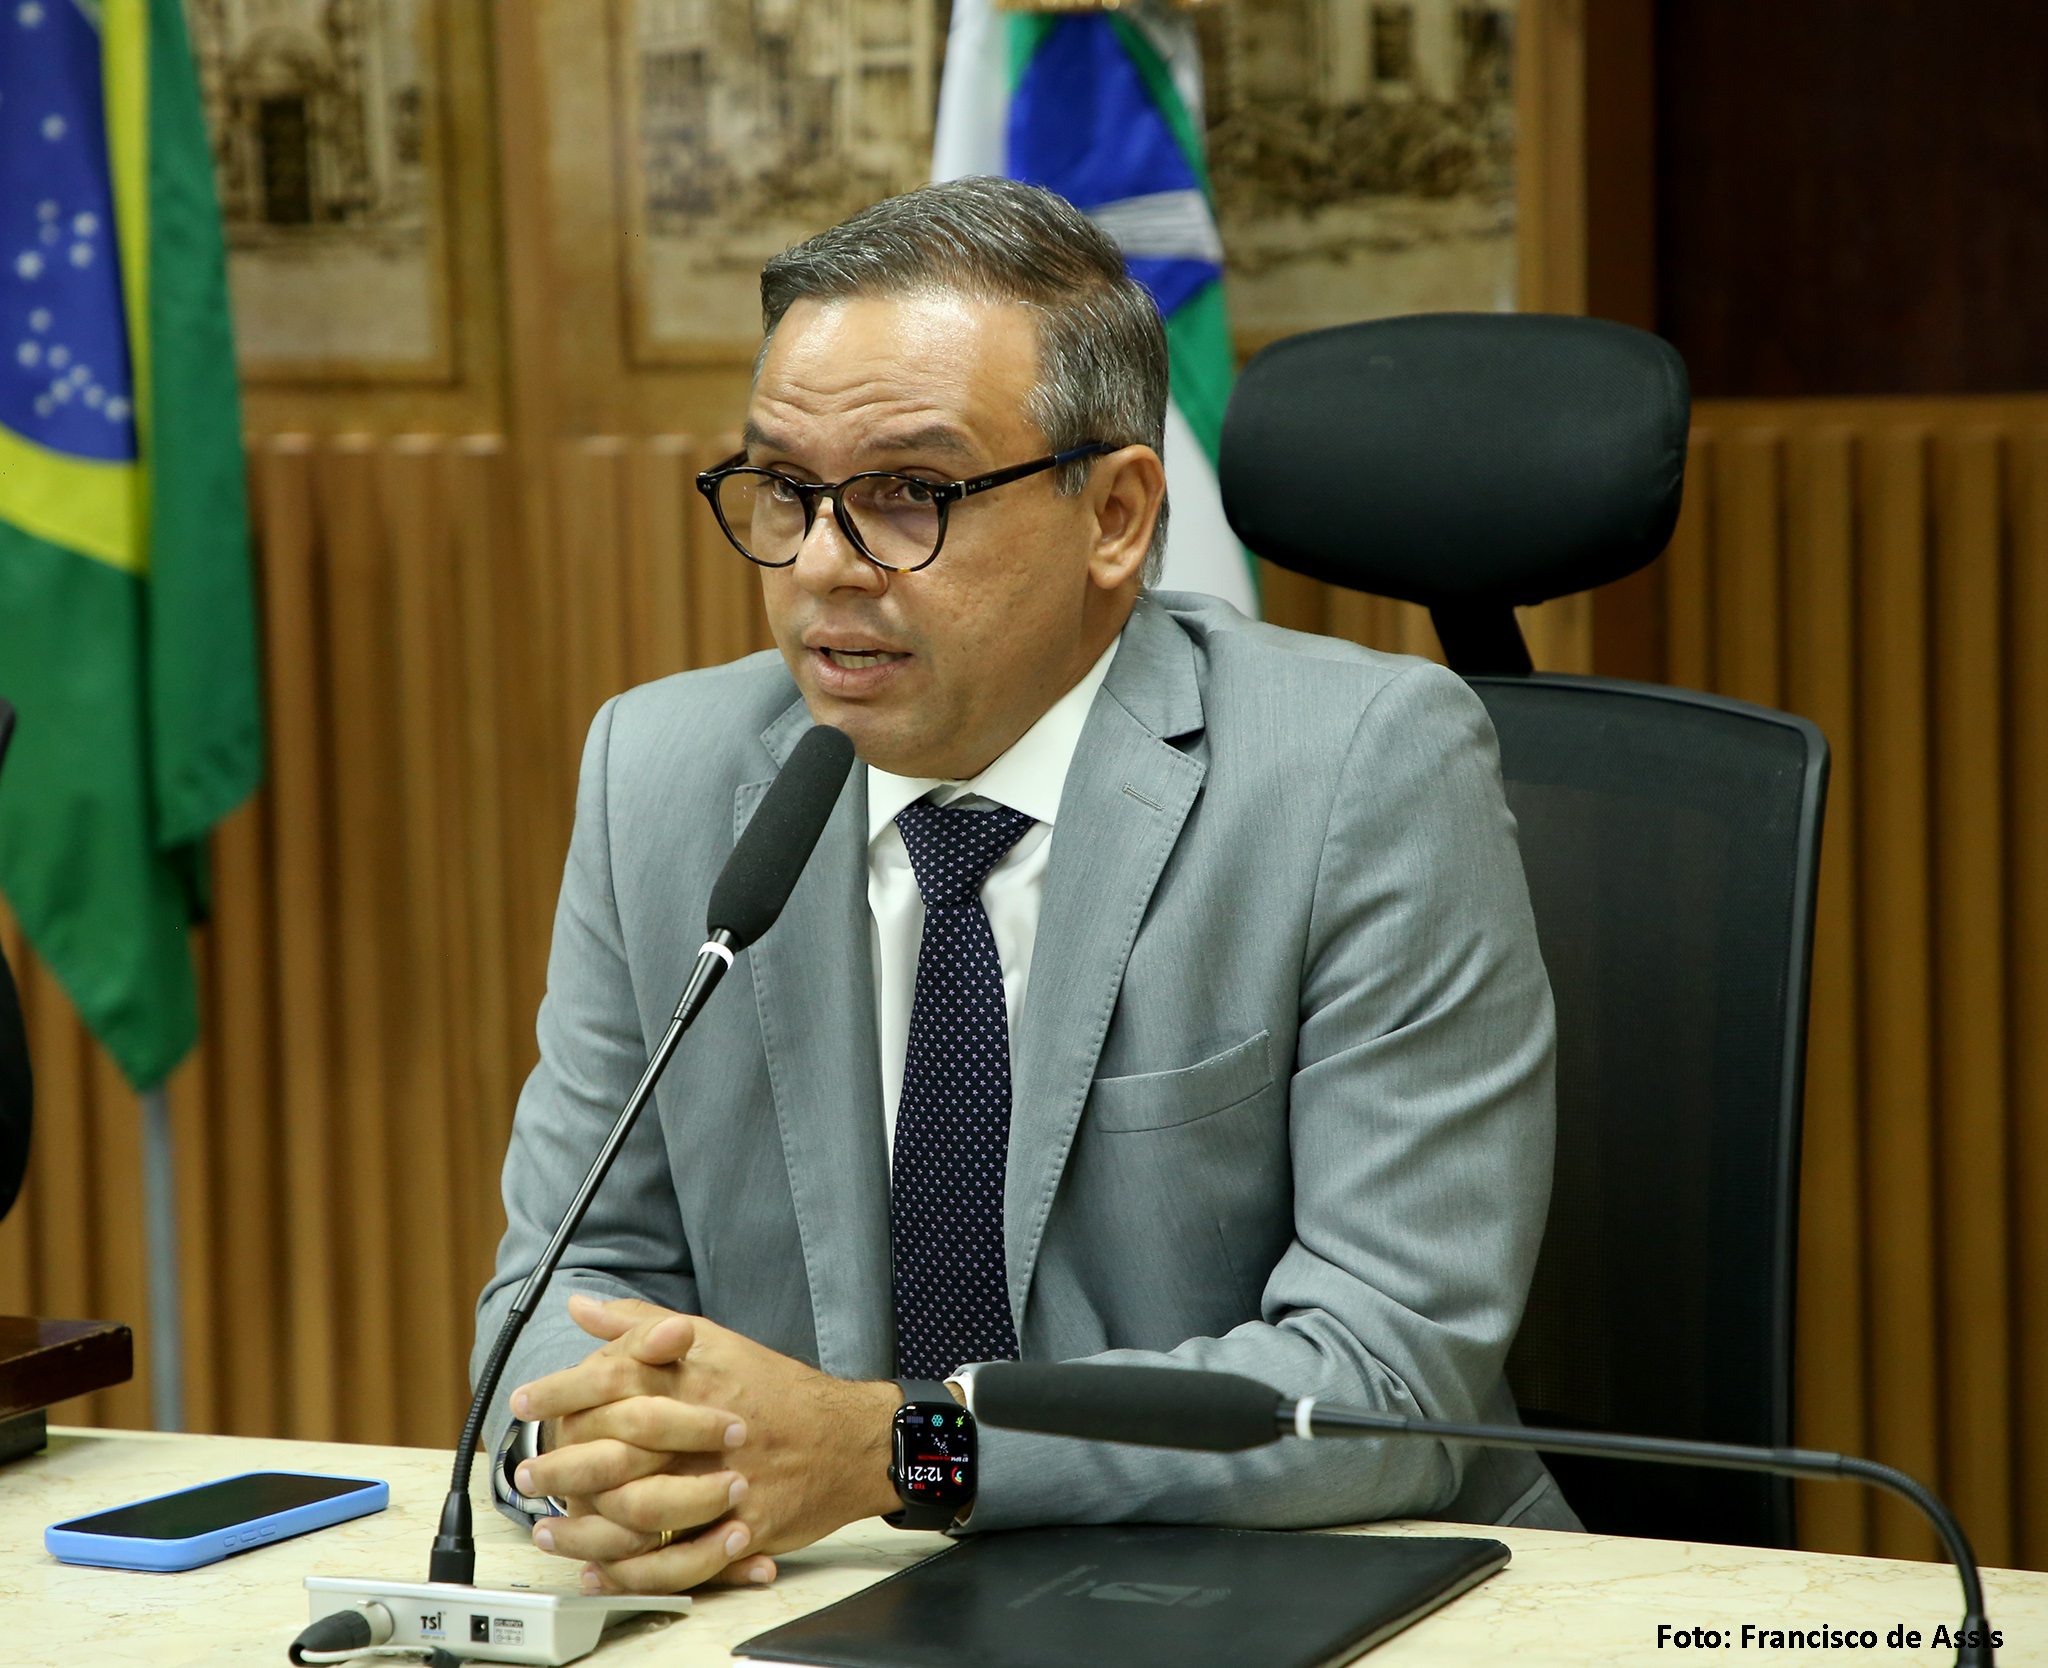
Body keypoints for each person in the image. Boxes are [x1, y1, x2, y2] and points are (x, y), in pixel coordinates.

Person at [475, 176, 1574, 1598]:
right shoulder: (663, 776)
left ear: (1114, 514)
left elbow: (1383, 1382)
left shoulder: (1360, 772)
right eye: (786, 490)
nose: (823, 565)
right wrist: (584, 1453)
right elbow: (565, 1285)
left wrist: (903, 1452)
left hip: (1307, 1591)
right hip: (815, 1591)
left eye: (907, 495)